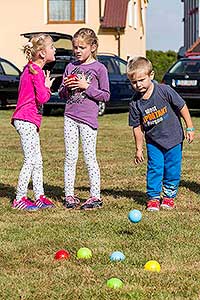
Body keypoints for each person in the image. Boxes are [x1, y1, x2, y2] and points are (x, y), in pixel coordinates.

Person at [127, 56, 194, 212]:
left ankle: (169, 197)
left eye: (141, 80)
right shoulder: (135, 103)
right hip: (154, 142)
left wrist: (189, 127)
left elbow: (182, 106)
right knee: (155, 168)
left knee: (172, 168)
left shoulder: (164, 91)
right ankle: (153, 198)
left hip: (174, 139)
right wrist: (139, 148)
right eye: (134, 82)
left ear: (151, 75)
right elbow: (137, 127)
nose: (138, 85)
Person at [59, 28, 110, 210]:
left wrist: (86, 86)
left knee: (89, 158)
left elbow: (105, 96)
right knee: (70, 157)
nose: (77, 51)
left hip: (88, 120)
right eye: (75, 47)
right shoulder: (70, 67)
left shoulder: (99, 68)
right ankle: (69, 195)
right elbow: (63, 94)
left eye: (82, 47)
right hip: (70, 117)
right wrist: (65, 86)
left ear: (93, 46)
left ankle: (95, 196)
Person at [11, 33, 56, 211]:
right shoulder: (36, 73)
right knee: (31, 160)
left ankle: (39, 196)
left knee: (37, 160)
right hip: (26, 119)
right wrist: (47, 85)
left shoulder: (29, 68)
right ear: (42, 53)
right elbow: (43, 98)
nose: (54, 49)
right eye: (51, 47)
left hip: (27, 120)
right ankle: (19, 198)